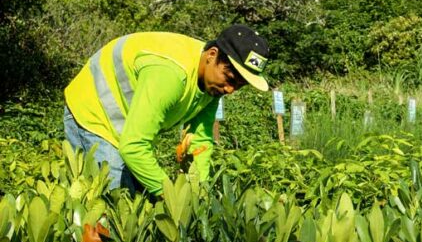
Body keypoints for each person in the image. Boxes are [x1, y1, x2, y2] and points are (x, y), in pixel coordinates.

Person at [63, 25, 269, 194]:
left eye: (240, 85)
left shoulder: (212, 84)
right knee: (115, 199)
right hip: (93, 111)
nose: (230, 90)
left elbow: (201, 141)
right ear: (212, 55)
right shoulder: (170, 75)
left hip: (128, 125)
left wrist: (200, 192)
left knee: (140, 196)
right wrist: (171, 197)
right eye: (230, 78)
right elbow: (133, 146)